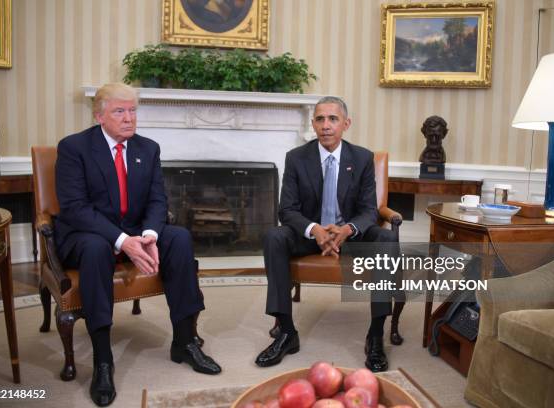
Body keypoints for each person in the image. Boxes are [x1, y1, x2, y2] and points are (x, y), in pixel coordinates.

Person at [54, 83, 221, 407]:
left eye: (132, 111)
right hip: (85, 233)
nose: (129, 118)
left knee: (180, 238)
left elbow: (158, 199)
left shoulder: (148, 148)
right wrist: (122, 241)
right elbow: (75, 208)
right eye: (120, 111)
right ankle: (104, 360)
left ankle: (184, 342)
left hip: (135, 230)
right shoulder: (74, 148)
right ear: (99, 115)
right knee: (96, 248)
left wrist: (149, 236)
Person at [255, 96, 404, 372]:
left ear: (346, 124)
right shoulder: (297, 158)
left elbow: (369, 210)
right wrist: (316, 230)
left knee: (385, 239)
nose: (326, 126)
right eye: (320, 119)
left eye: (333, 119)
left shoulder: (361, 158)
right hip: (310, 236)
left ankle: (375, 334)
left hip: (349, 236)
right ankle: (287, 332)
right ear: (313, 124)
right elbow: (287, 210)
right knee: (274, 236)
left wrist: (347, 229)